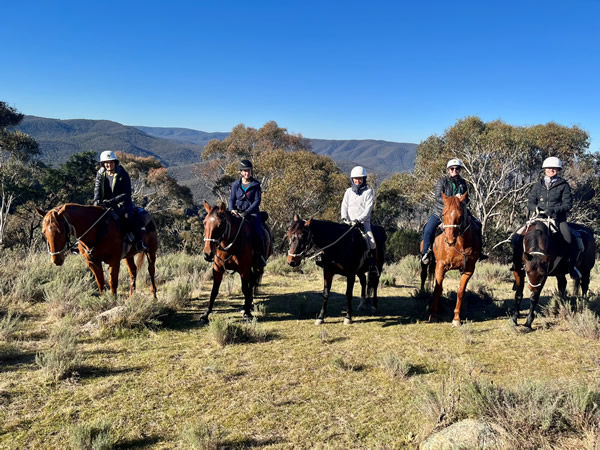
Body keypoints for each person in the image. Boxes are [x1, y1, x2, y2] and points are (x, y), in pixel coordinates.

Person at [421, 158, 485, 264]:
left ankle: (479, 252)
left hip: (459, 212)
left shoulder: (463, 183)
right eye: (452, 169)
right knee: (428, 229)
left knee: (478, 225)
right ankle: (425, 253)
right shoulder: (442, 181)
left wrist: (461, 200)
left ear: (460, 170)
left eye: (457, 169)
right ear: (448, 170)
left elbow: (467, 198)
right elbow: (438, 197)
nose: (454, 171)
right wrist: (453, 199)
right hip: (441, 211)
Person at [525, 156, 580, 279]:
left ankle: (572, 267)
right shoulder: (538, 185)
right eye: (549, 168)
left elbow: (568, 204)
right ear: (544, 169)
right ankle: (517, 266)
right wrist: (535, 208)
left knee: (570, 239)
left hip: (557, 219)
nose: (551, 170)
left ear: (558, 170)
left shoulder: (563, 185)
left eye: (554, 168)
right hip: (538, 218)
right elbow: (530, 202)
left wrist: (554, 210)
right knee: (517, 237)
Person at [93, 151, 146, 252]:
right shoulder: (100, 173)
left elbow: (126, 193)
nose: (108, 164)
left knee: (128, 217)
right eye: (106, 162)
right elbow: (97, 189)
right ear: (103, 164)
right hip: (104, 203)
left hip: (122, 203)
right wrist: (96, 201)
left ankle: (138, 242)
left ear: (115, 162)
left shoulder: (122, 173)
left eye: (111, 162)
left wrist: (112, 201)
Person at [341, 166, 378, 276]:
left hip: (363, 224)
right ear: (352, 180)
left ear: (364, 179)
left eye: (360, 179)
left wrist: (359, 220)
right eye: (356, 179)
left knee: (372, 243)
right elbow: (344, 205)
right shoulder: (348, 191)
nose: (358, 181)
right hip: (348, 223)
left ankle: (372, 265)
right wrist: (344, 218)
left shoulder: (368, 192)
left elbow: (368, 209)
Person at [229, 159, 266, 267]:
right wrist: (231, 209)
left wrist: (247, 212)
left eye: (249, 170)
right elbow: (231, 198)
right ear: (240, 172)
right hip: (237, 213)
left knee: (258, 232)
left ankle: (259, 256)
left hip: (252, 214)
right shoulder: (236, 184)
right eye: (244, 171)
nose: (247, 173)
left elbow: (257, 201)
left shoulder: (256, 185)